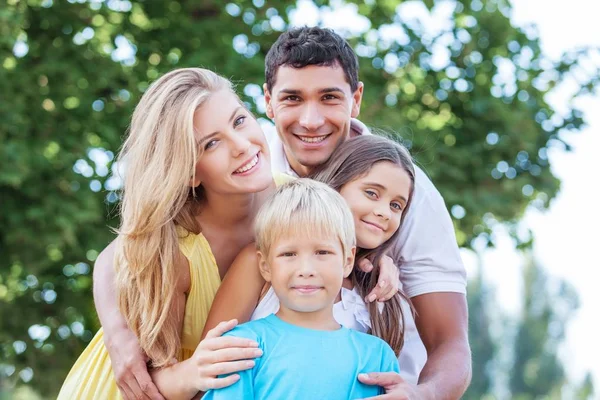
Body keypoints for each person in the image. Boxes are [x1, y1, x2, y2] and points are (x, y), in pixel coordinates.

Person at [100, 27, 472, 399]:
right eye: (293, 98)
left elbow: (450, 343)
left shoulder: (404, 188)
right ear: (268, 101)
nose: (310, 121)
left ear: (356, 99)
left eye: (329, 97)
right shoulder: (256, 167)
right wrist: (117, 333)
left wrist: (375, 255)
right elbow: (126, 251)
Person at [58, 67, 283, 399]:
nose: (241, 146)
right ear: (189, 172)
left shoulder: (296, 202)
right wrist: (120, 332)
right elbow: (151, 383)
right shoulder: (175, 249)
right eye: (211, 144)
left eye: (239, 121)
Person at [205, 135, 416, 360]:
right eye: (371, 193)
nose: (384, 212)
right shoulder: (263, 261)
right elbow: (211, 359)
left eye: (396, 205)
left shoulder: (377, 290)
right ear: (337, 183)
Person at [204, 179, 400, 400]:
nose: (306, 270)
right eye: (289, 254)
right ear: (265, 266)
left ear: (347, 261)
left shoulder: (378, 356)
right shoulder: (241, 347)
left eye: (322, 253)